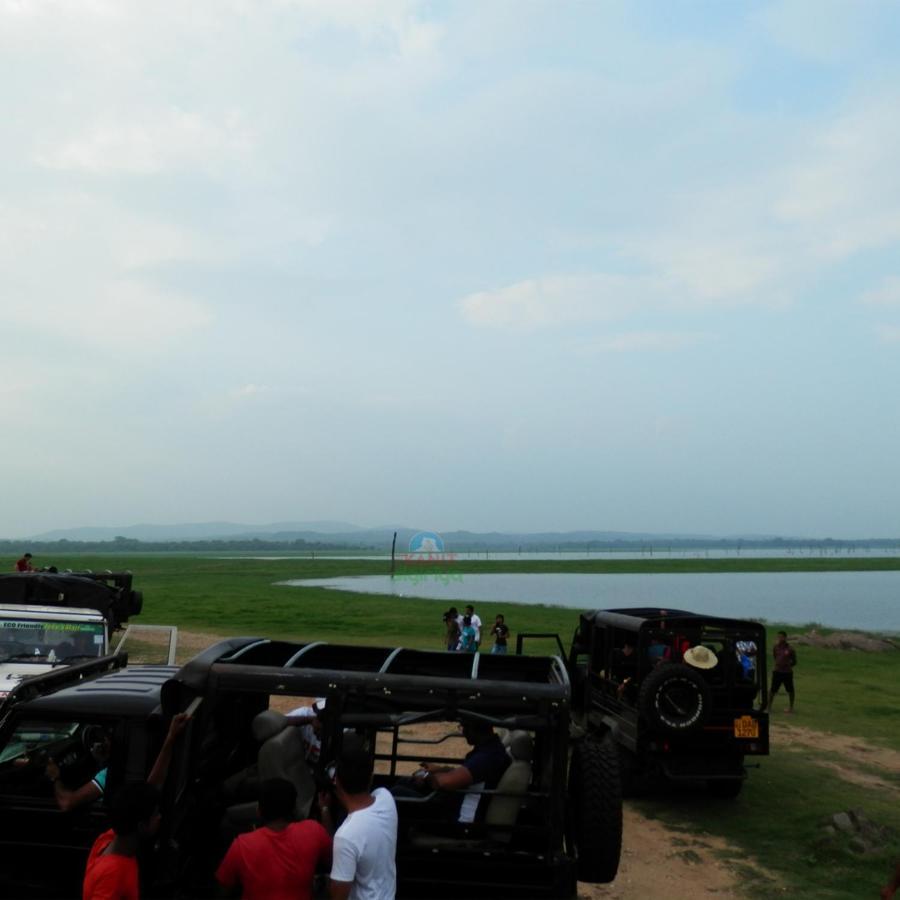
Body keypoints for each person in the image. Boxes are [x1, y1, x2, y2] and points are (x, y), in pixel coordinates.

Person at [216, 777, 332, 900]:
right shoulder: (313, 831)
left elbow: (222, 890)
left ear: (259, 811)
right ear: (294, 809)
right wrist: (325, 809)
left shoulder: (242, 845)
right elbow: (334, 852)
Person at [47, 712, 189, 812]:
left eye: (107, 739)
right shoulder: (140, 762)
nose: (102, 742)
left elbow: (67, 803)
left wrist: (56, 777)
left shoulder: (110, 774)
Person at [327, 736, 397, 900]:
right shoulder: (386, 799)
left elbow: (338, 896)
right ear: (371, 778)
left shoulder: (346, 836)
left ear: (337, 781)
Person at [411, 721, 510, 824]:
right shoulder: (489, 750)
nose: (463, 732)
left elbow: (443, 783)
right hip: (454, 806)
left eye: (465, 727)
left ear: (476, 728)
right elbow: (467, 773)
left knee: (399, 793)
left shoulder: (487, 757)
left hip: (460, 821)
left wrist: (425, 776)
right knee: (405, 785)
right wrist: (440, 769)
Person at [82, 781, 160, 900]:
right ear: (141, 826)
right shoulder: (113, 875)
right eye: (155, 814)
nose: (160, 817)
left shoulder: (107, 839)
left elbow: (142, 796)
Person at [765, 630, 797, 714]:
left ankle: (791, 708)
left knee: (790, 690)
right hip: (777, 671)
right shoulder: (776, 647)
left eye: (781, 637)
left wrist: (788, 665)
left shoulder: (790, 649)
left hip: (787, 673)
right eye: (778, 637)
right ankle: (769, 707)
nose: (779, 638)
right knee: (772, 690)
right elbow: (775, 657)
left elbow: (794, 661)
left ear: (785, 638)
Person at [286, 699, 326, 764]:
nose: (317, 721)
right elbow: (279, 721)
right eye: (318, 716)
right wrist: (309, 720)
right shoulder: (306, 714)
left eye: (322, 719)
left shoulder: (344, 736)